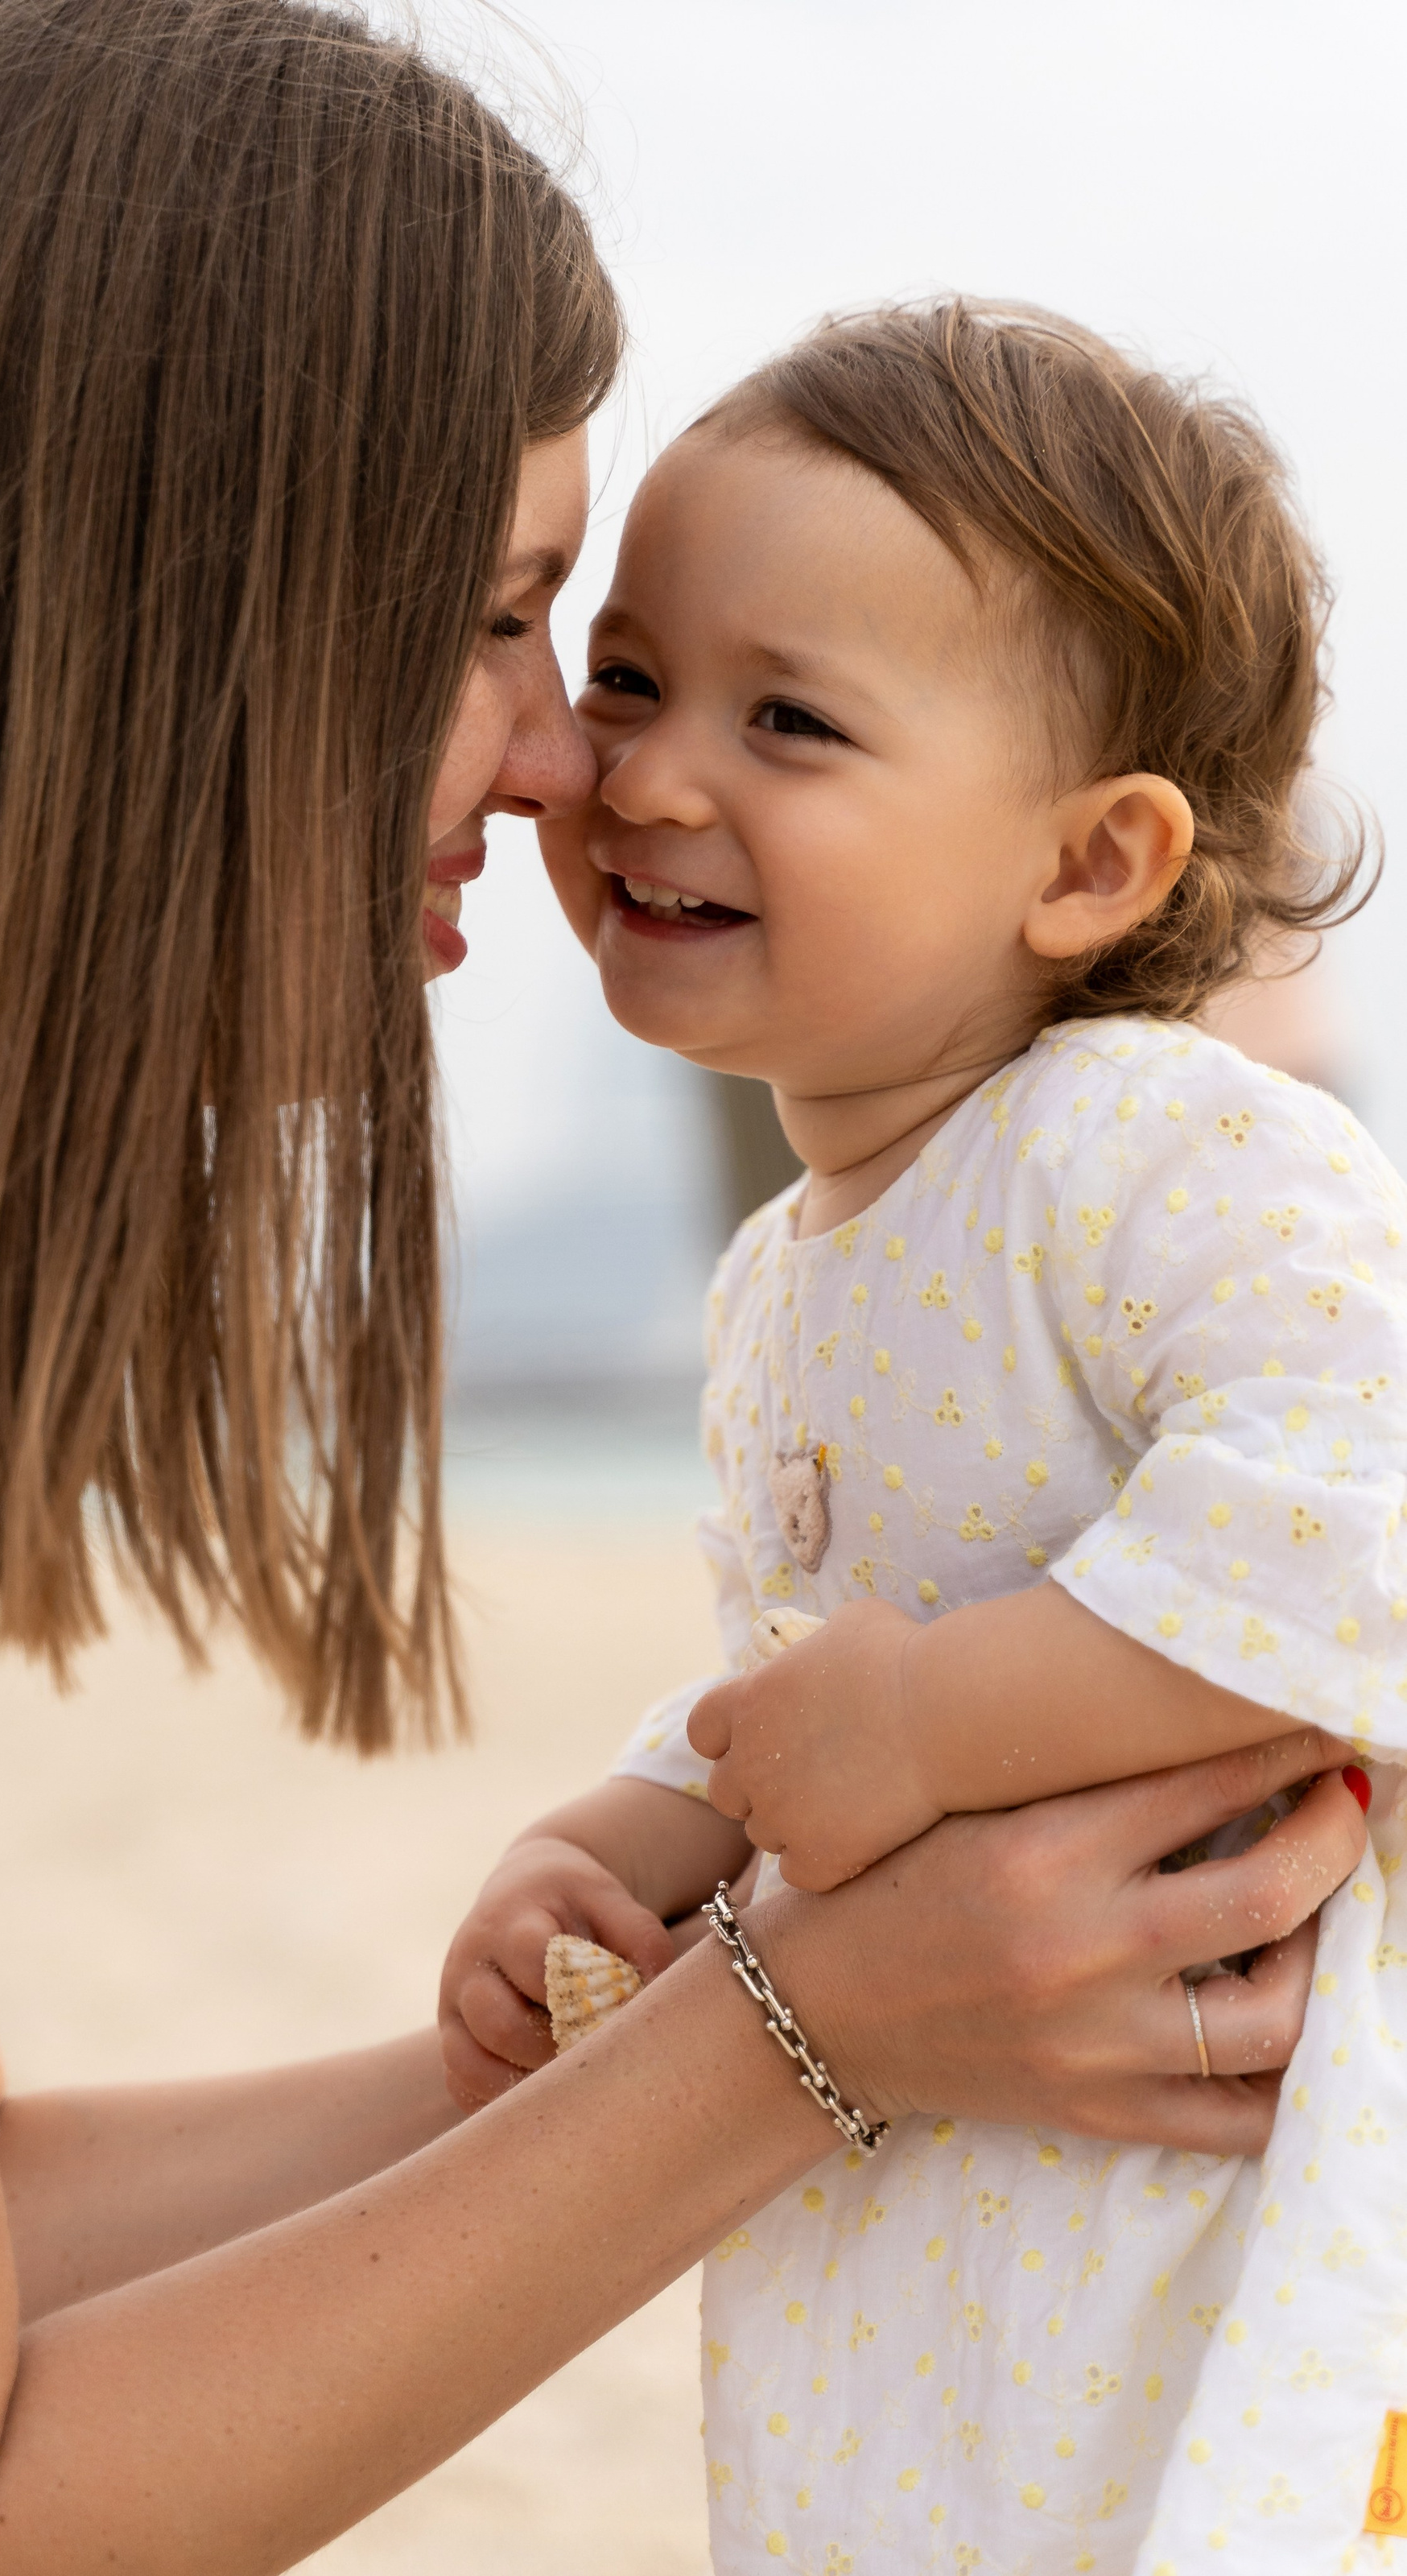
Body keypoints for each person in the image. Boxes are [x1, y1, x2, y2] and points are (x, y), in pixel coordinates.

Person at [0, 12, 1366, 2569]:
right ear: (156, 613)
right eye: (516, 626)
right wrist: (801, 2039)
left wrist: (620, 2025)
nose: (572, 768)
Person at [440, 299, 1403, 2574]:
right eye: (634, 682)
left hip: (1238, 2202)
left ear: (1089, 866)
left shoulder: (1155, 1140)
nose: (653, 778)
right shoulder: (791, 1267)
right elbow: (815, 1667)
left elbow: (1369, 1500)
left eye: (793, 719)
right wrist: (627, 1836)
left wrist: (936, 1719)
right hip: (972, 2210)